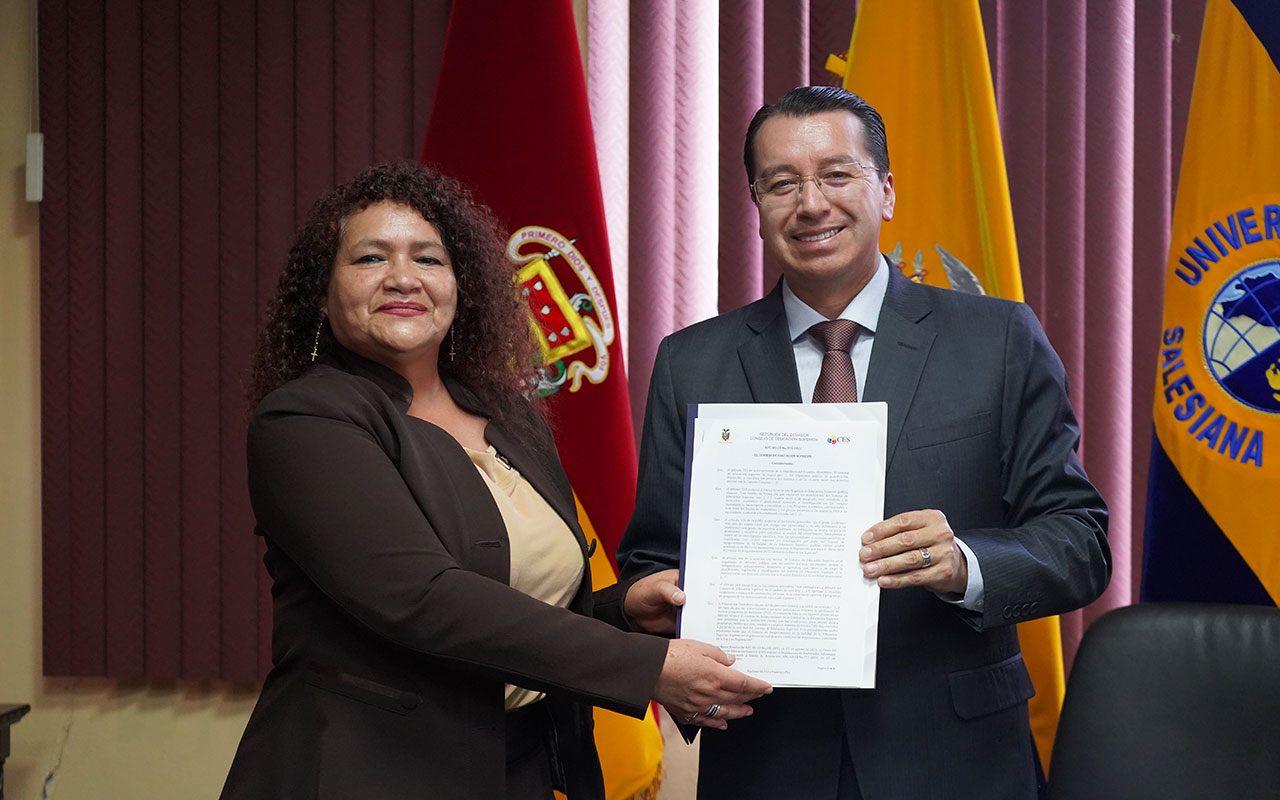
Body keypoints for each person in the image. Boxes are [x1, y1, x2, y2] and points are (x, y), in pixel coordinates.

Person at [218, 162, 770, 800]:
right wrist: (648, 669)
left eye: (428, 258)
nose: (403, 277)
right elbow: (425, 600)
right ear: (321, 291)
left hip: (522, 766)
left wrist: (620, 613)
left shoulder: (506, 415)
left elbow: (522, 606)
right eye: (370, 258)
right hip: (370, 771)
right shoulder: (305, 421)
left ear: (459, 284)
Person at [617, 86, 1110, 799]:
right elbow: (653, 558)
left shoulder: (996, 340)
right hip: (767, 757)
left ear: (886, 192)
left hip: (955, 758)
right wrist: (651, 598)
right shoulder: (692, 361)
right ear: (756, 208)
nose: (811, 202)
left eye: (837, 175)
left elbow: (1081, 543)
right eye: (781, 183)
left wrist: (965, 563)